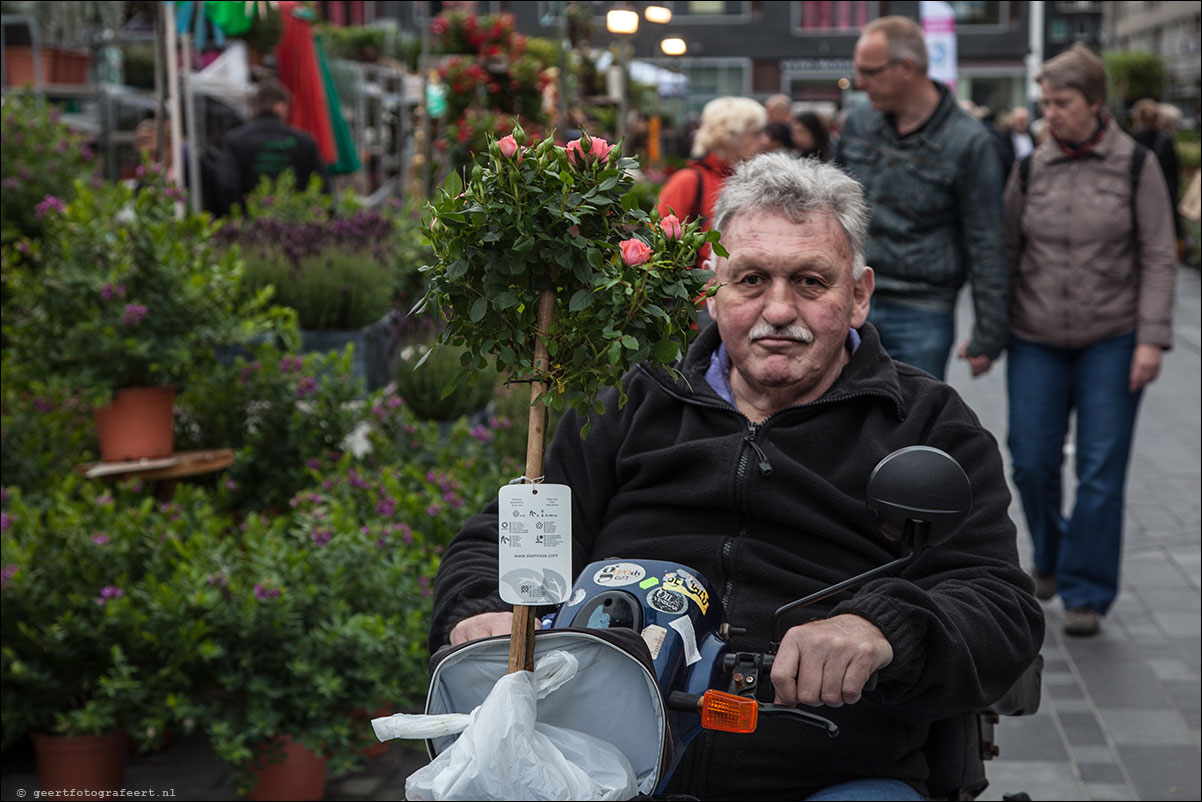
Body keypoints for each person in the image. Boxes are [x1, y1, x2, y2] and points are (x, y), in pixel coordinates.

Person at [431, 153, 1045, 800]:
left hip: (828, 771)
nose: (778, 310)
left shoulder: (926, 423)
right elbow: (508, 533)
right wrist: (487, 608)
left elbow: (999, 606)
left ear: (858, 295)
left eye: (811, 282)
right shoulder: (639, 397)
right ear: (711, 289)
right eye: (751, 279)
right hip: (601, 765)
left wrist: (883, 629)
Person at [1003, 44, 1177, 637]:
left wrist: (1151, 339)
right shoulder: (1030, 168)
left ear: (1095, 103)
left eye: (1063, 102)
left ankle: (1084, 591)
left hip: (1114, 338)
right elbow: (1005, 250)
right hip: (1035, 336)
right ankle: (1049, 557)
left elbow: (1159, 254)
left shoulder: (1136, 165)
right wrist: (990, 332)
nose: (1049, 113)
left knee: (1101, 469)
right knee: (1029, 460)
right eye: (1045, 102)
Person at [834, 16, 1007, 381]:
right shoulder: (860, 121)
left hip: (921, 308)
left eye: (870, 72)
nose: (860, 83)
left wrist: (989, 333)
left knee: (908, 422)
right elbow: (831, 205)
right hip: (851, 295)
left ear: (907, 68)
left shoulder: (969, 142)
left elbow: (986, 241)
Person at [215, 78, 327, 216]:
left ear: (255, 109)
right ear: (281, 106)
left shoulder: (235, 140)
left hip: (251, 224)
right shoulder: (304, 141)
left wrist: (238, 218)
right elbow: (322, 186)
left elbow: (227, 185)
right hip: (297, 224)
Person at [1131, 98, 1181, 245]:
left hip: (1139, 193)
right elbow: (1174, 171)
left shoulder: (1132, 141)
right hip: (1164, 192)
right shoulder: (1164, 140)